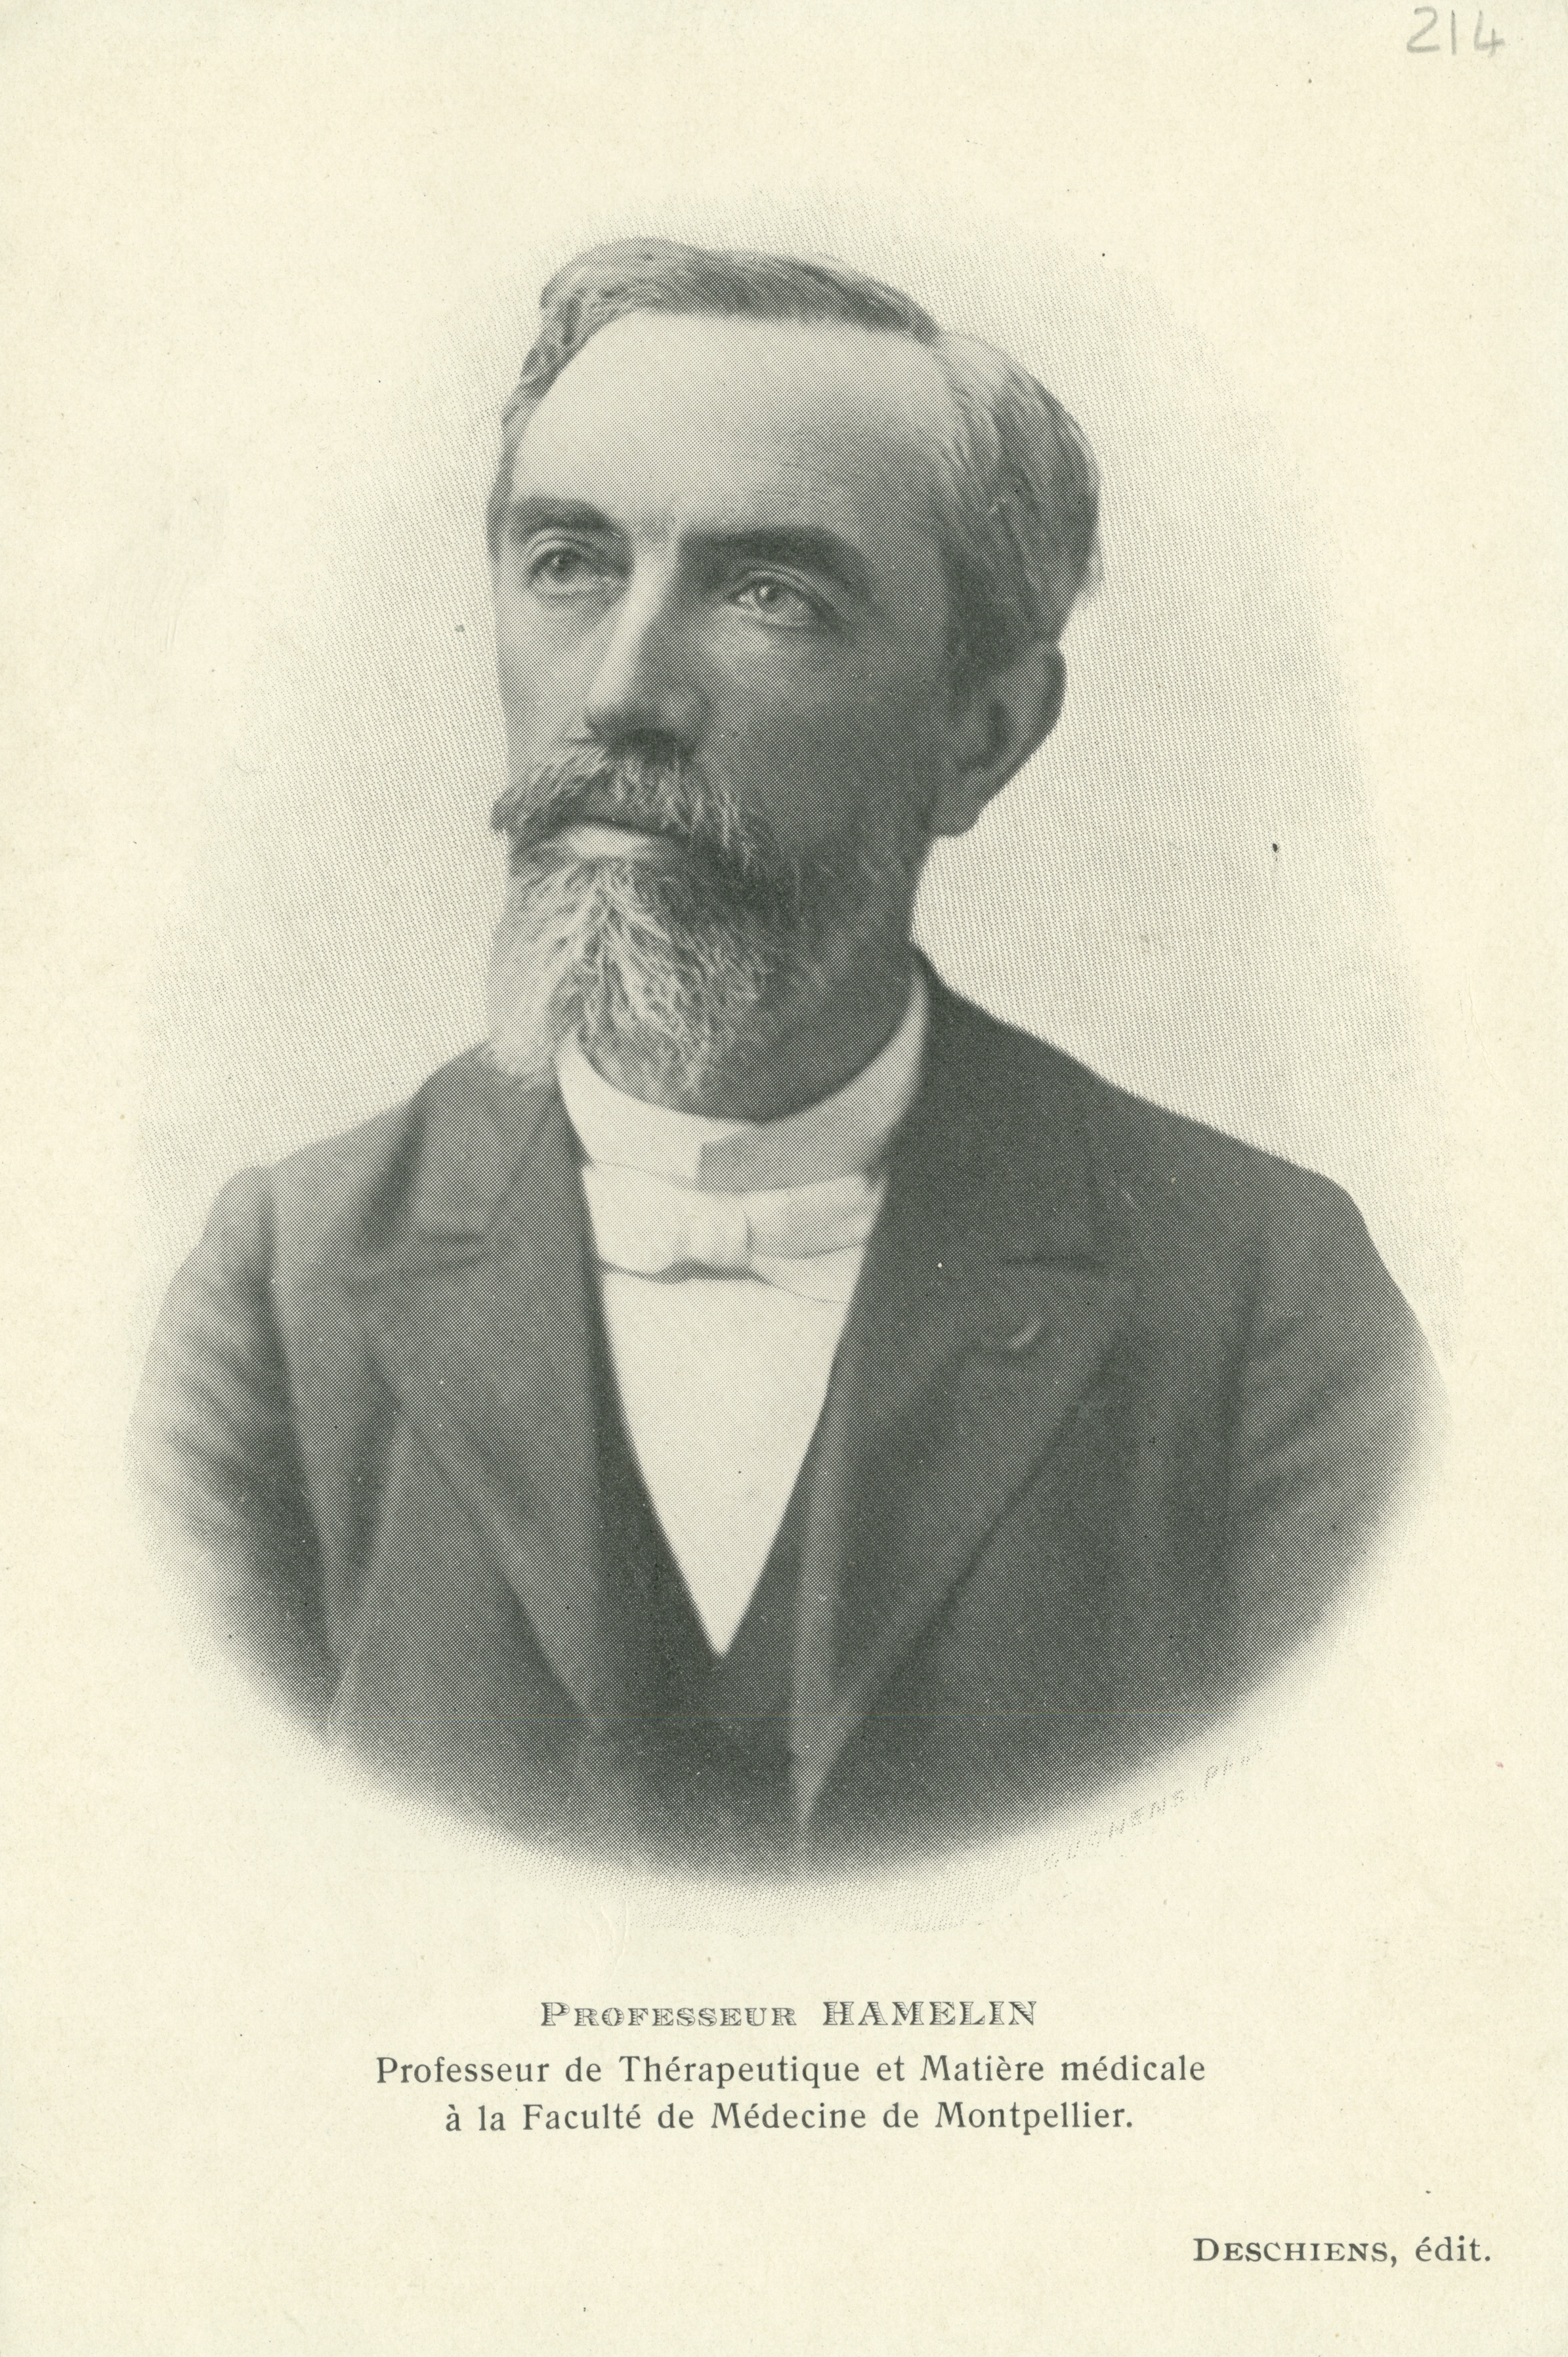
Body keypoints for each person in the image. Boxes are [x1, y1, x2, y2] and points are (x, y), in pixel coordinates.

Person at [132, 239, 1439, 1873]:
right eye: (566, 563)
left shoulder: (1261, 1301)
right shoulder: (282, 1283)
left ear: (981, 732)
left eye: (769, 594)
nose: (622, 693)